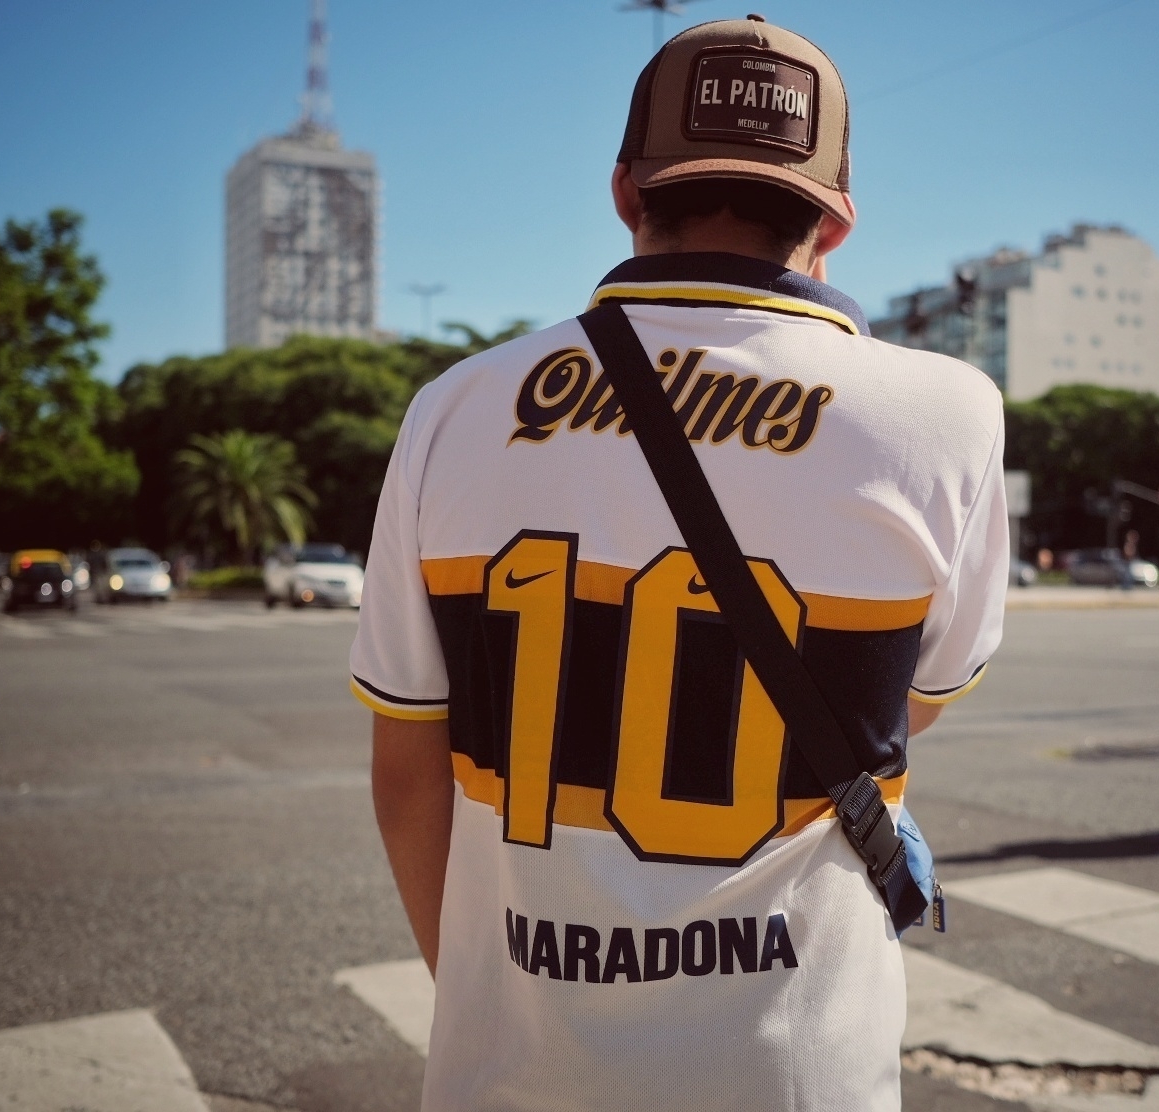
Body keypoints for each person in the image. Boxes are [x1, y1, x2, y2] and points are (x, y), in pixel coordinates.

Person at [350, 17, 1008, 1112]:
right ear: (837, 218)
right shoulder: (946, 413)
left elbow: (404, 770)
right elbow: (914, 704)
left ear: (625, 190)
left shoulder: (453, 407)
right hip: (797, 1064)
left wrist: (475, 989)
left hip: (510, 1062)